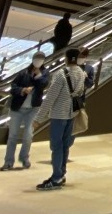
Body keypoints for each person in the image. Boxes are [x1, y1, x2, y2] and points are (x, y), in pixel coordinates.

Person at [34, 48, 86, 190]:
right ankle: (61, 174)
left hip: (59, 114)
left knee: (56, 146)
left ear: (66, 58)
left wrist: (38, 118)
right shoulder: (81, 73)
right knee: (65, 145)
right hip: (72, 113)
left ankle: (56, 177)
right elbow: (81, 91)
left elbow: (50, 97)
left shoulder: (61, 74)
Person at [0, 51, 49, 171]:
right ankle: (8, 162)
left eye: (41, 59)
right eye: (37, 58)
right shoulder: (23, 73)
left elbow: (43, 85)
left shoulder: (45, 73)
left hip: (33, 109)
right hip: (18, 108)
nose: (38, 61)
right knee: (13, 135)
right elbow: (13, 87)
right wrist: (22, 90)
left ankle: (24, 158)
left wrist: (38, 75)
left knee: (28, 135)